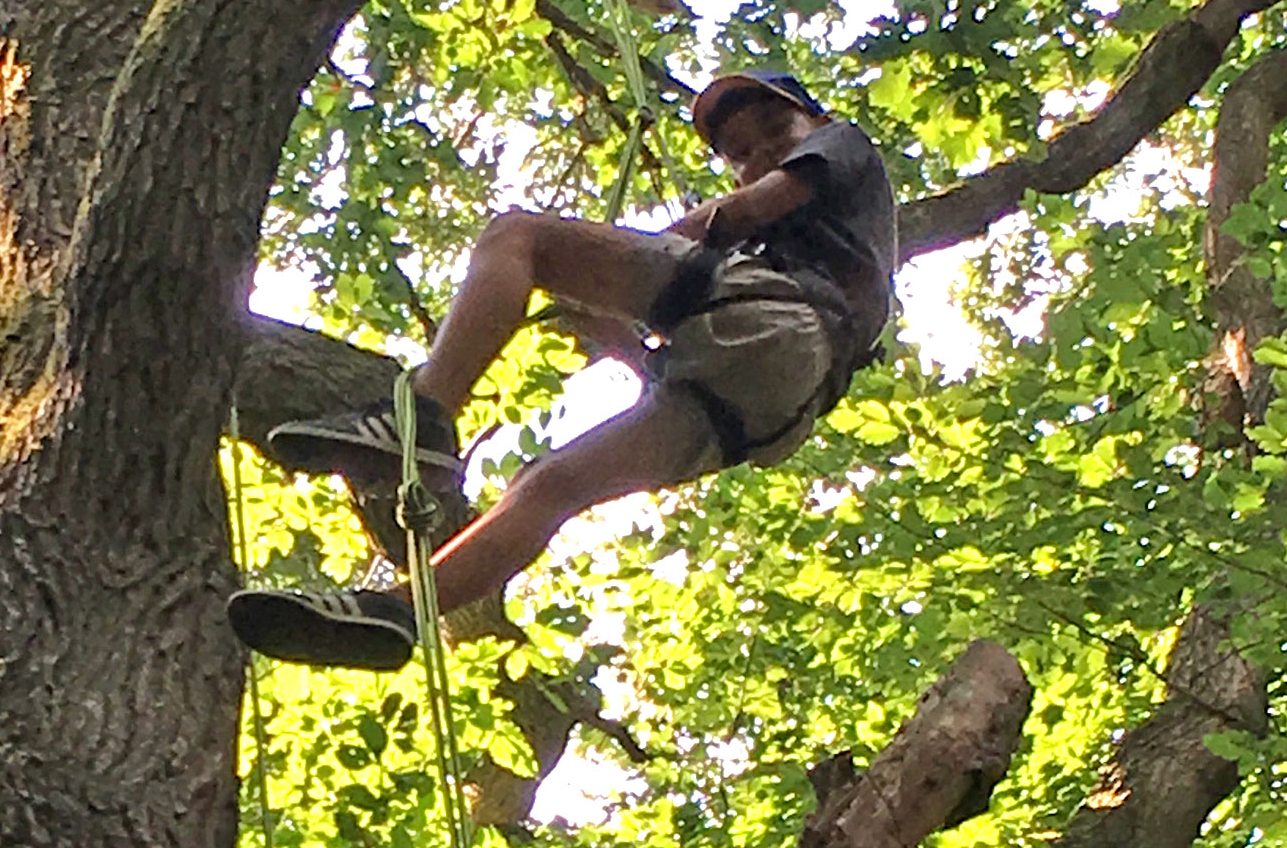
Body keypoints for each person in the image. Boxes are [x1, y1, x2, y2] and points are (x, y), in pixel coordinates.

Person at [229, 70, 896, 670]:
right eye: (741, 156)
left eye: (775, 131)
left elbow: (745, 210)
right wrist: (619, 326)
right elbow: (688, 341)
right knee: (551, 485)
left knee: (518, 238)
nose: (761, 157)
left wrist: (638, 252)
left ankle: (426, 415)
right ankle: (401, 610)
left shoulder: (842, 146)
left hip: (780, 323)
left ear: (816, 121)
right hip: (769, 399)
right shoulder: (805, 252)